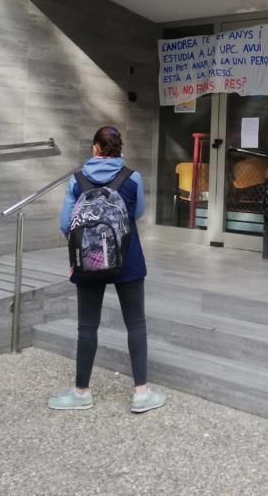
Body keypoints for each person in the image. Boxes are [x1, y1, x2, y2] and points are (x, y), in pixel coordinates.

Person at [49, 126, 165, 413]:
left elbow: (65, 224)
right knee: (135, 323)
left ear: (94, 149)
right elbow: (136, 214)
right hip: (128, 257)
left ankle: (81, 393)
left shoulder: (76, 180)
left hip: (87, 259)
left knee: (87, 326)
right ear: (120, 149)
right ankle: (141, 393)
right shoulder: (132, 177)